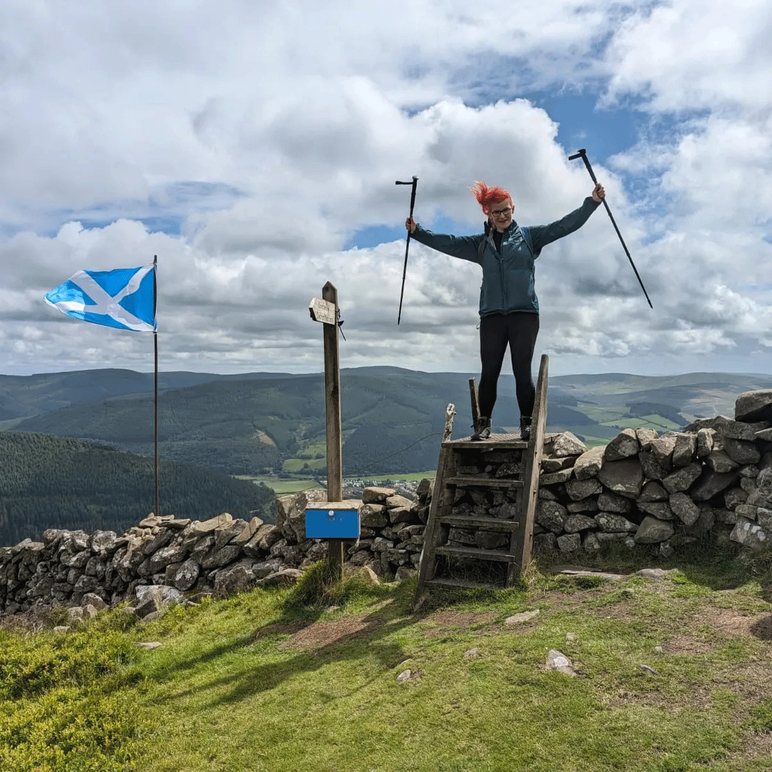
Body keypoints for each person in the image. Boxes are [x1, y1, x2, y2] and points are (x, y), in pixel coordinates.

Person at [406, 179, 605, 441]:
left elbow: (563, 226)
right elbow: (449, 243)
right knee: (489, 372)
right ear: (487, 214)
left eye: (506, 210)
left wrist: (591, 203)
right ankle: (483, 425)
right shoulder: (479, 244)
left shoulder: (530, 237)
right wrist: (418, 232)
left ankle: (527, 424)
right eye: (496, 211)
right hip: (492, 317)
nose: (502, 216)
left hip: (524, 315)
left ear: (513, 208)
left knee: (522, 370)